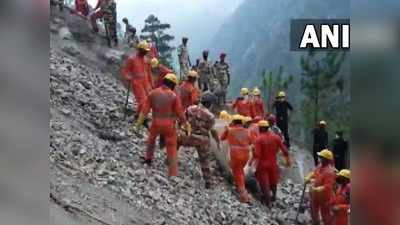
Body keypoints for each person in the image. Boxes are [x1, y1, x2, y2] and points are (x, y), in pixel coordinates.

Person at [135, 73, 190, 177]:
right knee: (172, 146)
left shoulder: (153, 93)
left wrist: (137, 125)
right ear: (173, 85)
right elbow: (180, 114)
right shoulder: (174, 96)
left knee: (151, 140)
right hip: (169, 125)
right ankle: (173, 172)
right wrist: (186, 125)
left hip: (155, 123)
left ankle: (148, 159)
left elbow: (144, 111)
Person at [178, 92, 220, 188]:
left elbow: (182, 119)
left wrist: (180, 129)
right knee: (205, 160)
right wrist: (217, 142)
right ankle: (208, 182)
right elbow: (211, 130)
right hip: (200, 140)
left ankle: (169, 160)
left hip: (186, 136)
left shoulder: (190, 108)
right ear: (209, 104)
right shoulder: (210, 116)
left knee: (176, 142)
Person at [252, 120, 291, 207]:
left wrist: (252, 150)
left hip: (262, 164)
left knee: (264, 183)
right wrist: (288, 160)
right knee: (273, 181)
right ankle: (274, 196)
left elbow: (257, 155)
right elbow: (285, 151)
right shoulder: (276, 137)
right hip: (273, 163)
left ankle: (268, 202)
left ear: (261, 128)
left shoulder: (259, 139)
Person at [220, 115, 254, 203]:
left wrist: (226, 129)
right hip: (245, 155)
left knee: (237, 172)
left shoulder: (230, 130)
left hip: (235, 154)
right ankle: (239, 186)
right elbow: (251, 142)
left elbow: (222, 138)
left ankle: (243, 194)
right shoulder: (248, 131)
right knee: (240, 171)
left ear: (234, 122)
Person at [304, 149, 336, 225]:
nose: (319, 158)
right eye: (320, 156)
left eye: (321, 157)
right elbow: (314, 173)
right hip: (315, 195)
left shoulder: (330, 172)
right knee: (313, 209)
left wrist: (316, 189)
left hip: (325, 197)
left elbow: (328, 187)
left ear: (326, 160)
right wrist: (309, 177)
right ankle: (316, 222)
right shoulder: (319, 166)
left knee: (325, 214)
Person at [121, 41, 152, 116]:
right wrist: (128, 77)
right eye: (145, 51)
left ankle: (138, 115)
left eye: (147, 51)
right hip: (137, 83)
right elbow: (125, 71)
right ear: (140, 50)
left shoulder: (145, 60)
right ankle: (140, 117)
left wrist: (150, 84)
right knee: (142, 101)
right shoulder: (132, 59)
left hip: (145, 83)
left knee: (148, 101)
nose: (146, 52)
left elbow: (148, 72)